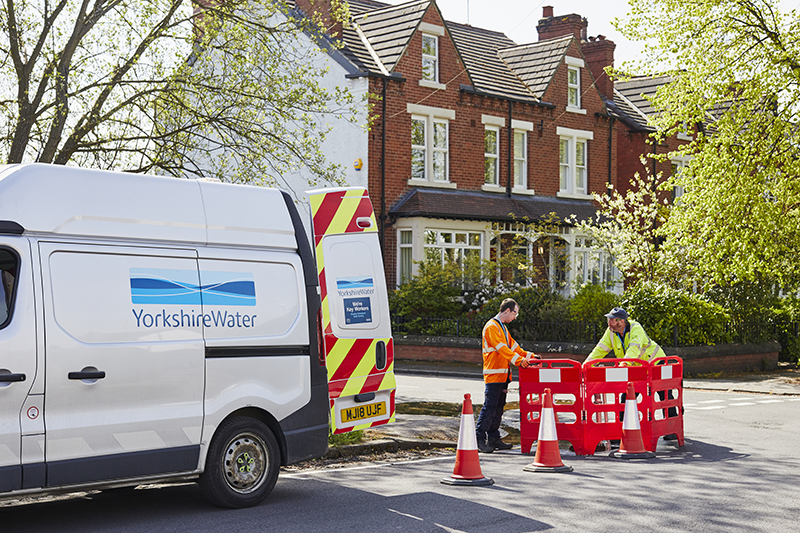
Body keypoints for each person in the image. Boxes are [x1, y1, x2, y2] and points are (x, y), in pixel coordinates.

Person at [476, 298, 541, 453]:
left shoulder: (502, 328)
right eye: (515, 313)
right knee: (490, 408)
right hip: (494, 376)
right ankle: (479, 439)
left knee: (498, 408)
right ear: (507, 310)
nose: (515, 317)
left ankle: (494, 438)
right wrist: (520, 361)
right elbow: (503, 349)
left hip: (502, 376)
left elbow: (515, 347)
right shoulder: (492, 327)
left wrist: (531, 356)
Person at [584, 307, 665, 363]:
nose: (609, 323)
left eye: (612, 320)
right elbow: (599, 350)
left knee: (660, 388)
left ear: (621, 321)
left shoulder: (635, 328)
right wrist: (585, 366)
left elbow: (634, 349)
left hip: (656, 362)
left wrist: (624, 364)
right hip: (640, 366)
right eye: (608, 320)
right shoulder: (611, 331)